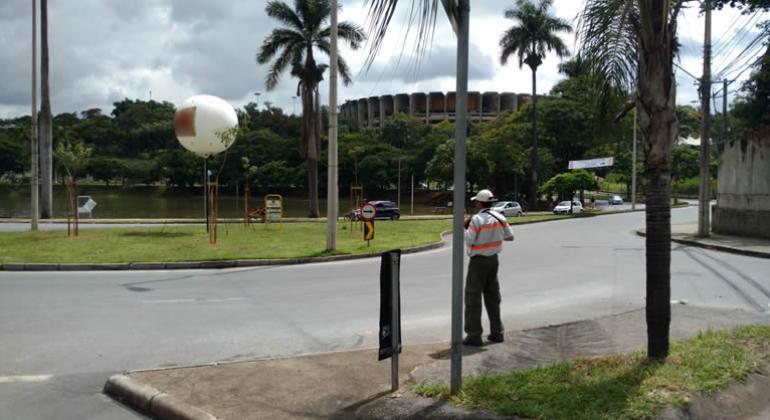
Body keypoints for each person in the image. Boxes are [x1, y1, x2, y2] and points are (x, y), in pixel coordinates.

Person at [462, 189, 514, 346]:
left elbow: (469, 240)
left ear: (479, 203)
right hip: (493, 260)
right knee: (493, 297)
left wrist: (465, 226)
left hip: (478, 262)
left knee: (472, 297)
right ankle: (497, 332)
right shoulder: (499, 217)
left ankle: (474, 335)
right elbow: (510, 236)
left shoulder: (477, 219)